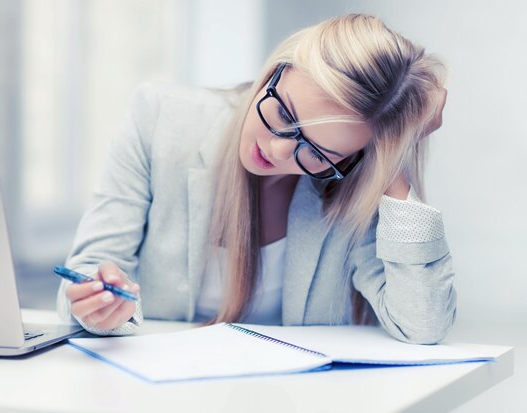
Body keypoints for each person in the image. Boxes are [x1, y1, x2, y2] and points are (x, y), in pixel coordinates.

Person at [56, 13, 455, 344]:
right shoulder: (160, 120)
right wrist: (101, 306)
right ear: (278, 70)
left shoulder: (353, 179)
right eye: (285, 115)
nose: (280, 152)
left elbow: (422, 325)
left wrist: (392, 156)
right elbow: (88, 270)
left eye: (316, 153)